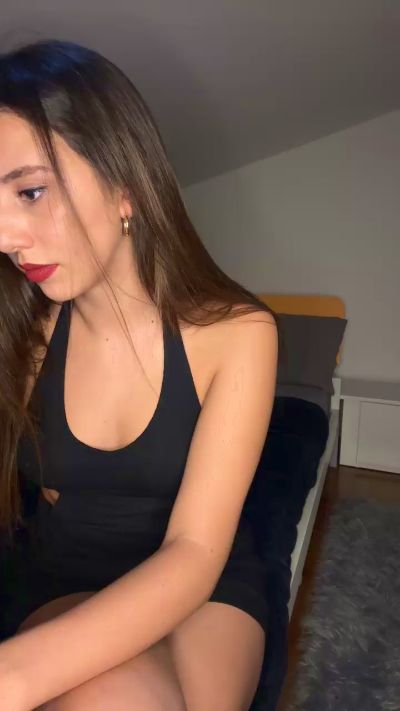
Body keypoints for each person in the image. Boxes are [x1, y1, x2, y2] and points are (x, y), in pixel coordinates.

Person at [0, 39, 279, 710]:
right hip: (67, 572)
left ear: (124, 185)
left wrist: (14, 675)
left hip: (205, 582)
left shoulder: (239, 333)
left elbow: (194, 549)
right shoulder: (27, 331)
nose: (7, 237)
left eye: (31, 191)